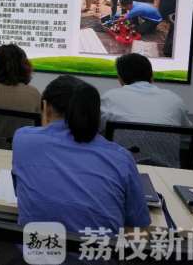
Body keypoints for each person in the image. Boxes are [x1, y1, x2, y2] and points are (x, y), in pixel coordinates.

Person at [12, 75, 150, 233]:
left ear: (46, 108)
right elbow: (139, 224)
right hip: (97, 249)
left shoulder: (23, 139)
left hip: (36, 248)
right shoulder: (121, 158)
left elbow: (20, 193)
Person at [101, 53, 191, 129]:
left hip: (121, 145)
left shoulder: (109, 98)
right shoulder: (174, 100)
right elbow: (188, 136)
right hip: (165, 146)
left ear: (120, 79)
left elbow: (97, 130)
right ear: (152, 76)